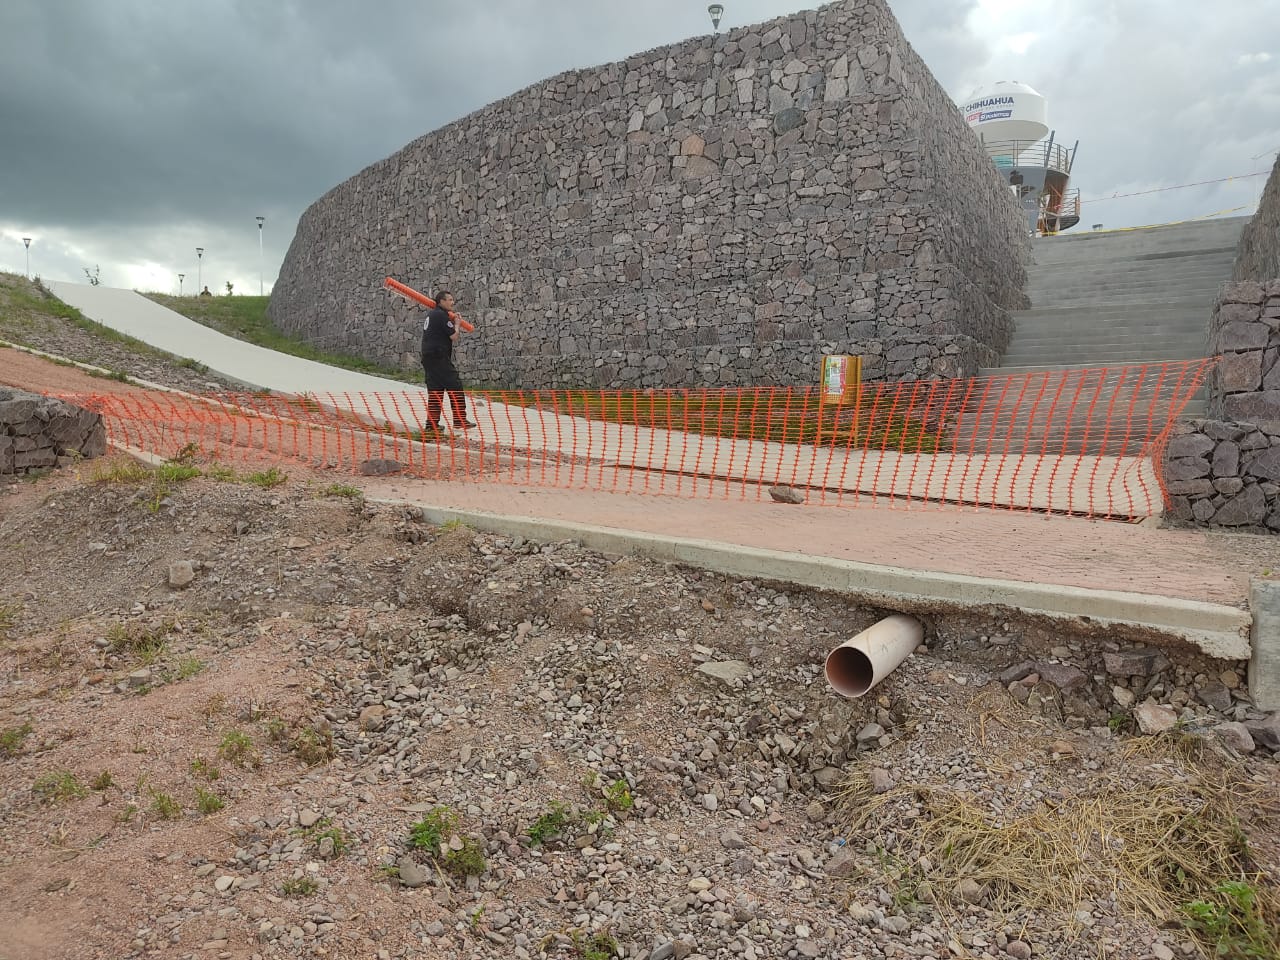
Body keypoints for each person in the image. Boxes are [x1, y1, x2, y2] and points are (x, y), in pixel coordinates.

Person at [420, 290, 475, 432]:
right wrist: (457, 323)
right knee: (455, 384)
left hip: (428, 357)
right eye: (449, 300)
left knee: (435, 390)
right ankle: (459, 420)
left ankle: (431, 425)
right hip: (438, 357)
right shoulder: (441, 315)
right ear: (441, 301)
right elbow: (454, 336)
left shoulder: (432, 314)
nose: (452, 302)